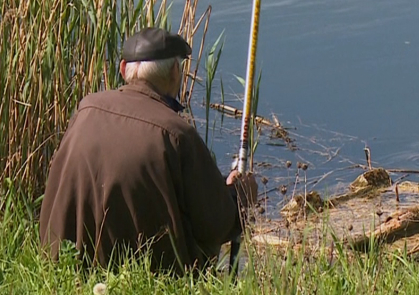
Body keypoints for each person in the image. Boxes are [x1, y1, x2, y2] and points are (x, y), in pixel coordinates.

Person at [39, 27, 258, 275]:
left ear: (123, 69)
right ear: (175, 72)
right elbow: (216, 224)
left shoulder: (85, 109)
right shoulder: (177, 133)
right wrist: (240, 196)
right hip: (151, 277)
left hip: (68, 268)